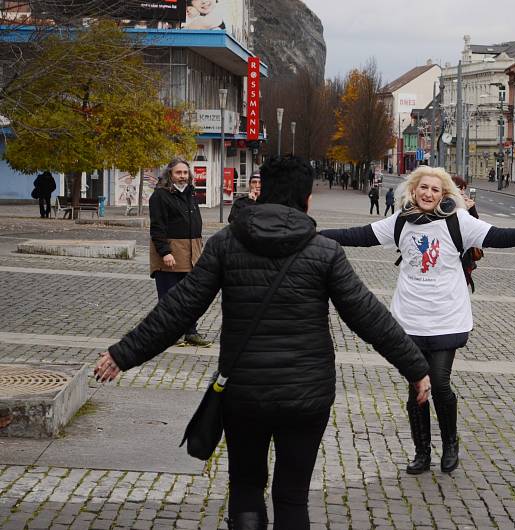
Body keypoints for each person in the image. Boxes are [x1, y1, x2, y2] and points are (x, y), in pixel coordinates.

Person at [95, 156, 431, 530]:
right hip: (306, 395)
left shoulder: (226, 244)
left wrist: (122, 354)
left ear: (260, 194)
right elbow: (369, 316)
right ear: (306, 201)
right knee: (291, 495)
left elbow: (179, 307)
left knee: (246, 486)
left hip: (244, 393)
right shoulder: (324, 252)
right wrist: (416, 368)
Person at [320, 166, 515, 475]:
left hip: (447, 317)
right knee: (416, 388)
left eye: (435, 189)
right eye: (424, 188)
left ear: (444, 195)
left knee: (441, 383)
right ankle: (422, 452)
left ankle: (450, 445)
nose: (428, 193)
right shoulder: (400, 222)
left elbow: (497, 236)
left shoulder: (458, 222)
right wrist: (317, 235)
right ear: (413, 190)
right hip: (409, 319)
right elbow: (360, 235)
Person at [148, 158, 211, 347]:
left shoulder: (191, 193)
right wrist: (165, 252)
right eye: (178, 173)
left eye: (185, 173)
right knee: (169, 297)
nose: (182, 176)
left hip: (192, 253)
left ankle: (191, 332)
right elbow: (157, 228)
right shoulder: (160, 196)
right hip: (171, 253)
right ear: (170, 174)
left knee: (190, 296)